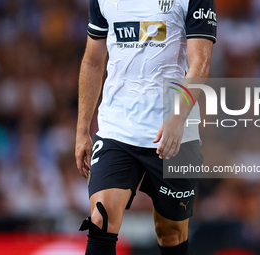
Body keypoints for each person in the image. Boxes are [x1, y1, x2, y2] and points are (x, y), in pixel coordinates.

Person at [75, 0, 217, 254]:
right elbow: (93, 61)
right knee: (101, 220)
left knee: (170, 233)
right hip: (116, 129)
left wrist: (177, 118)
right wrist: (82, 130)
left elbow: (200, 63)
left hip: (173, 131)